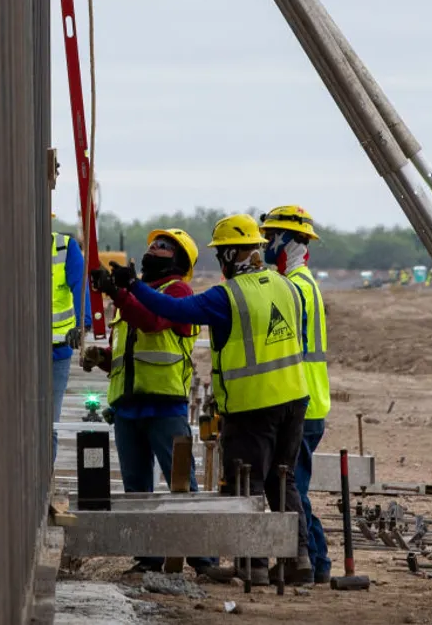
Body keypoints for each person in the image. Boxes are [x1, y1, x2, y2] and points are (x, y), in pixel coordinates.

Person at [119, 213, 312, 586]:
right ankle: (297, 559)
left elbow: (175, 310)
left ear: (228, 256)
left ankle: (253, 565)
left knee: (248, 485)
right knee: (282, 481)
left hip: (252, 403)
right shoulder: (287, 286)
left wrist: (132, 287)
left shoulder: (229, 296)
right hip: (295, 399)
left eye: (222, 254)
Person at [83, 229, 215, 575]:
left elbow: (153, 322)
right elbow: (132, 348)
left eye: (164, 247)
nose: (154, 250)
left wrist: (118, 293)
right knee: (136, 488)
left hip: (164, 403)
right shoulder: (133, 295)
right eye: (154, 245)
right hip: (128, 406)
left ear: (179, 260)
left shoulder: (177, 292)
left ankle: (203, 559)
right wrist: (103, 355)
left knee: (181, 484)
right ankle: (148, 558)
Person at [259, 205, 333, 584]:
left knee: (293, 488)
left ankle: (313, 563)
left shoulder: (295, 288)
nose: (266, 243)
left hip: (301, 403)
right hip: (310, 400)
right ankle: (316, 563)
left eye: (270, 236)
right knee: (295, 487)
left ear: (288, 239)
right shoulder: (304, 282)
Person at [50, 229, 92, 464]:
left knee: (49, 424)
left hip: (57, 350)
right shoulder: (13, 242)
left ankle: (45, 477)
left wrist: (82, 324)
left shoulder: (65, 247)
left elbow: (80, 286)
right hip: (18, 351)